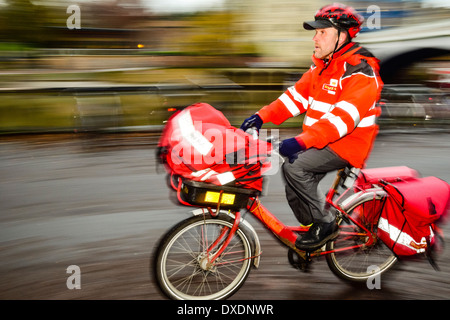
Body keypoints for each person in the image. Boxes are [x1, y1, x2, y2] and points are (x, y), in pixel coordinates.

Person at [240, 3, 383, 251]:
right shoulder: (322, 66)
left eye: (322, 32)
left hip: (347, 144)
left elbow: (343, 119)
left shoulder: (360, 70)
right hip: (321, 140)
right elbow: (295, 97)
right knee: (292, 177)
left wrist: (301, 142)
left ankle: (324, 227)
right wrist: (261, 116)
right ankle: (314, 231)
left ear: (343, 35)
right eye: (315, 32)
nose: (315, 38)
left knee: (295, 168)